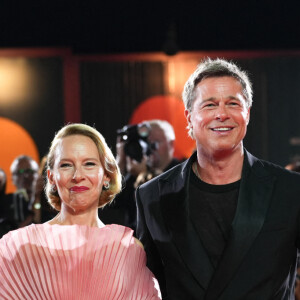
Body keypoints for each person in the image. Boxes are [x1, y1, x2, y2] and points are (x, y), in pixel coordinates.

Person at [136, 58, 300, 300]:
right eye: (210, 105)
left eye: (233, 103)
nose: (222, 114)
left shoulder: (291, 190)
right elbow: (145, 286)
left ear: (247, 113)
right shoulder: (152, 196)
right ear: (189, 117)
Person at [0, 123, 161, 300]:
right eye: (66, 165)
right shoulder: (18, 247)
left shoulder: (128, 250)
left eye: (89, 164)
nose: (78, 176)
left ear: (106, 175)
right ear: (52, 177)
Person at [99, 120, 179, 231]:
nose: (150, 148)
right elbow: (107, 201)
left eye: (156, 142)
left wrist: (143, 176)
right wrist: (119, 165)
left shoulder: (181, 173)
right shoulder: (134, 173)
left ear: (171, 144)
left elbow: (163, 214)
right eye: (146, 142)